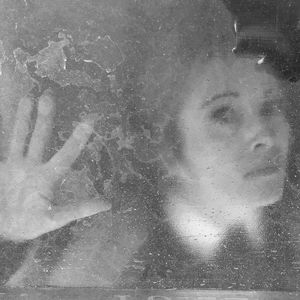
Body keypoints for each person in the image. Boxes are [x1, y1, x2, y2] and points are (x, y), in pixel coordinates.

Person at [1, 0, 300, 291]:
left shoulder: (290, 223)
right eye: (223, 114)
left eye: (270, 105)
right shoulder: (110, 255)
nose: (264, 135)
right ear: (170, 148)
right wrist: (10, 241)